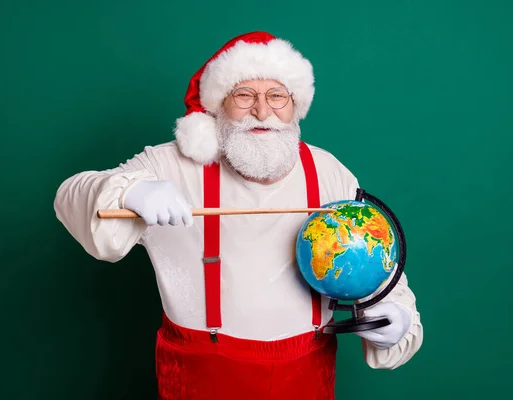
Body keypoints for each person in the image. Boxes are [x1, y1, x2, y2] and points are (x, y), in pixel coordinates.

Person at [54, 31, 423, 400]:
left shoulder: (329, 172)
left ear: (295, 105)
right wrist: (130, 190)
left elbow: (374, 260)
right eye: (244, 95)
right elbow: (70, 195)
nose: (262, 111)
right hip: (199, 381)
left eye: (277, 95)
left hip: (307, 379)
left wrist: (397, 314)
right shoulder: (171, 164)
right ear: (218, 105)